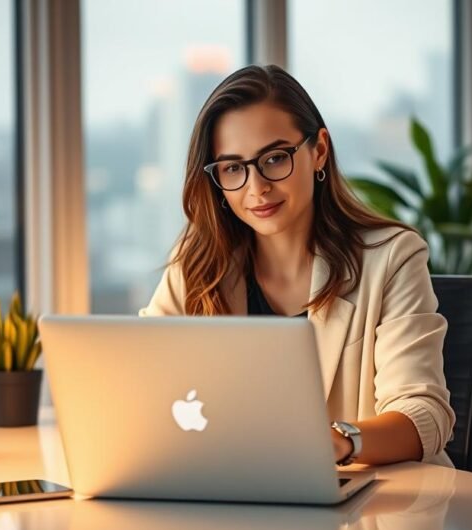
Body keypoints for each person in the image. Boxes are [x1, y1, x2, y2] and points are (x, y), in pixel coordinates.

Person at [140, 64, 454, 467]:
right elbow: (142, 383)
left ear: (318, 150)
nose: (257, 188)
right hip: (235, 501)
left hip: (373, 509)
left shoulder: (392, 257)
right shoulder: (197, 266)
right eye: (233, 168)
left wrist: (338, 441)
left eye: (274, 158)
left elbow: (424, 414)